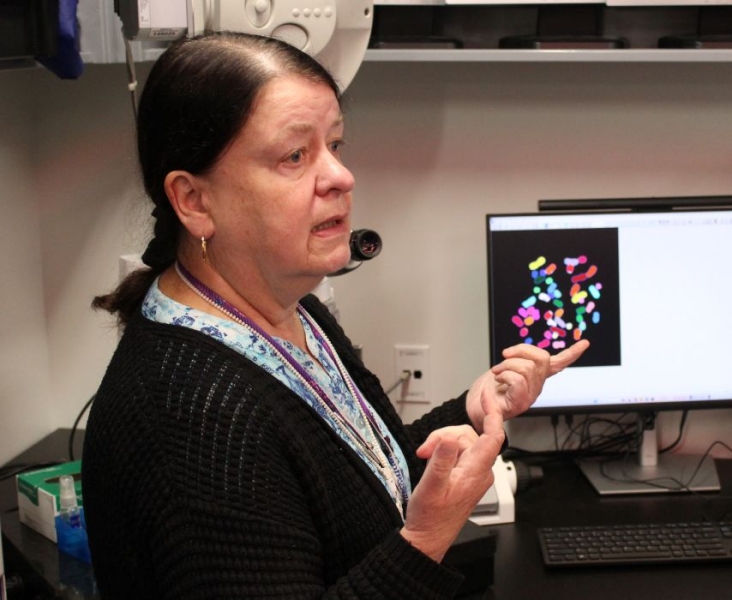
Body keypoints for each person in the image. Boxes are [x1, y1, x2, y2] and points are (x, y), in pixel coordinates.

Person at [82, 31, 589, 600]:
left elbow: (366, 481)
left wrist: (473, 408)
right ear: (195, 201)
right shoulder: (192, 414)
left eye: (336, 146)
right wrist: (426, 539)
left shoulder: (293, 313)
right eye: (295, 156)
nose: (341, 178)